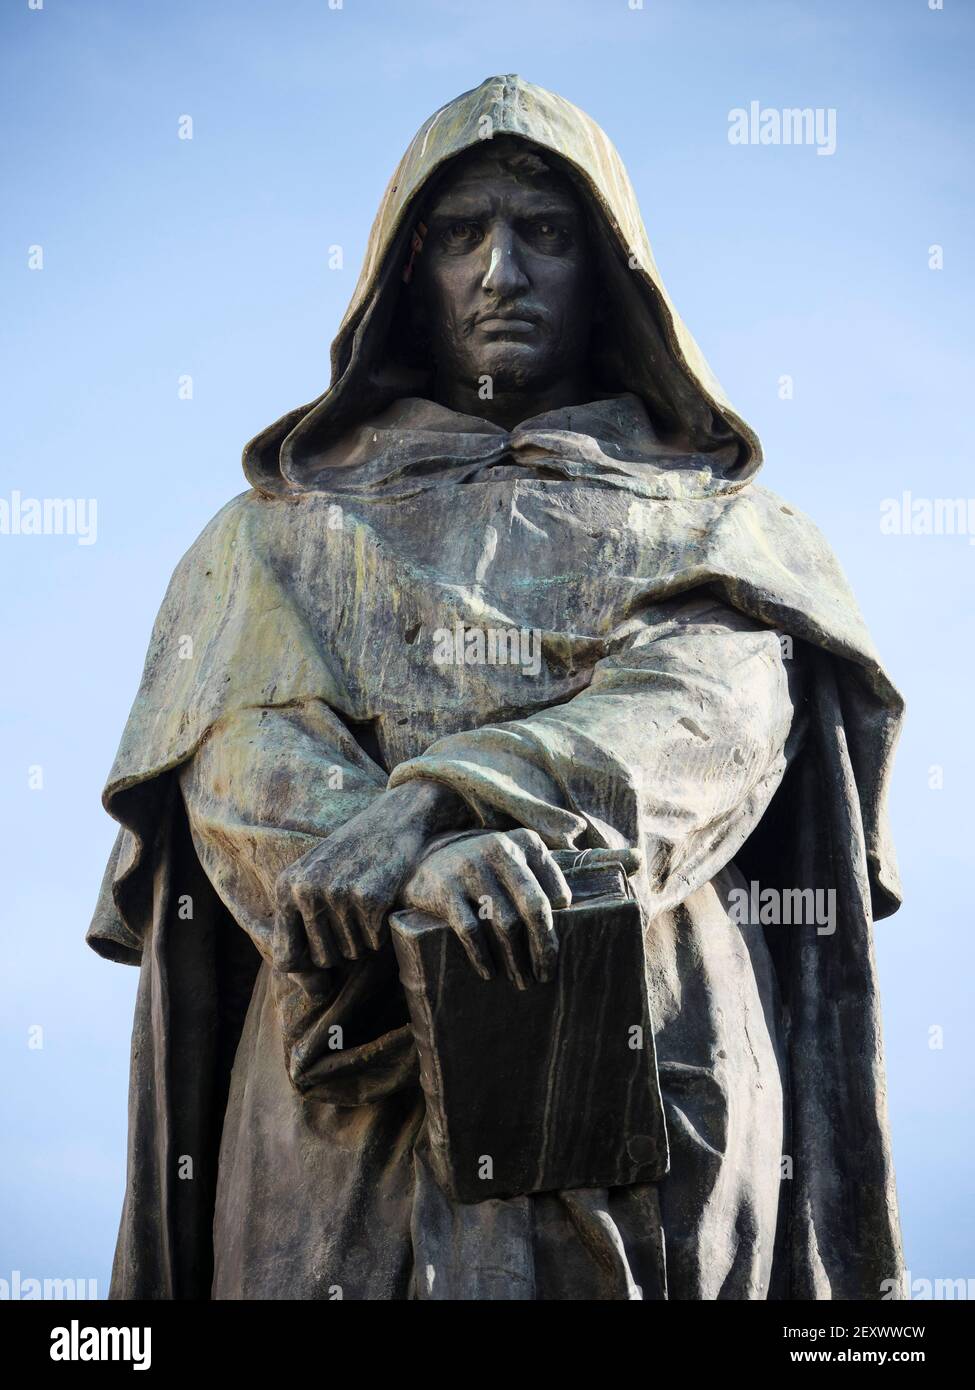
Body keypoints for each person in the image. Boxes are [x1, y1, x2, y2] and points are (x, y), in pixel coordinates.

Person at [89, 75, 905, 1300]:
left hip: (651, 1075)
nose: (501, 273)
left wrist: (439, 808)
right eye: (462, 234)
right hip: (348, 1098)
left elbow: (709, 716)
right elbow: (239, 753)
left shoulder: (731, 527)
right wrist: (408, 870)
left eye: (545, 233)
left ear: (613, 269)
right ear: (405, 271)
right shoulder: (270, 536)